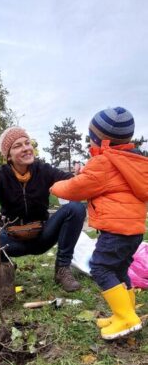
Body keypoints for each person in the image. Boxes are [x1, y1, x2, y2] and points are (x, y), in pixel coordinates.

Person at [51, 107, 148, 340]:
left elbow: (76, 188)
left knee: (100, 268)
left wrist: (54, 186)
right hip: (133, 231)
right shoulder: (136, 161)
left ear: (101, 140)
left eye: (91, 136)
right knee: (119, 269)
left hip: (115, 231)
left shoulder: (103, 163)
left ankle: (126, 318)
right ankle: (123, 312)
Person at [0, 126, 86, 292]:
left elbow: (73, 183)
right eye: (18, 145)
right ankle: (6, 266)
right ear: (8, 156)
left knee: (76, 208)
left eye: (27, 143)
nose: (26, 148)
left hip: (42, 235)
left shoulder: (44, 170)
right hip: (12, 239)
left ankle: (62, 269)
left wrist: (81, 177)